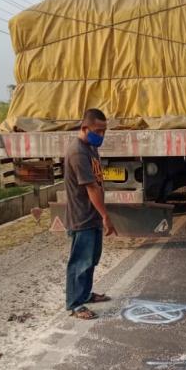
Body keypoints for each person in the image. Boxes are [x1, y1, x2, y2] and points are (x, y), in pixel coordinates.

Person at [63, 108, 117, 320]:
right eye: (98, 130)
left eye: (104, 131)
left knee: (91, 259)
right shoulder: (78, 152)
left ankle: (85, 294)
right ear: (84, 128)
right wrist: (105, 215)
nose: (102, 135)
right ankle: (75, 304)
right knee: (80, 262)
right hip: (81, 216)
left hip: (91, 214)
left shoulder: (91, 147)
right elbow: (92, 188)